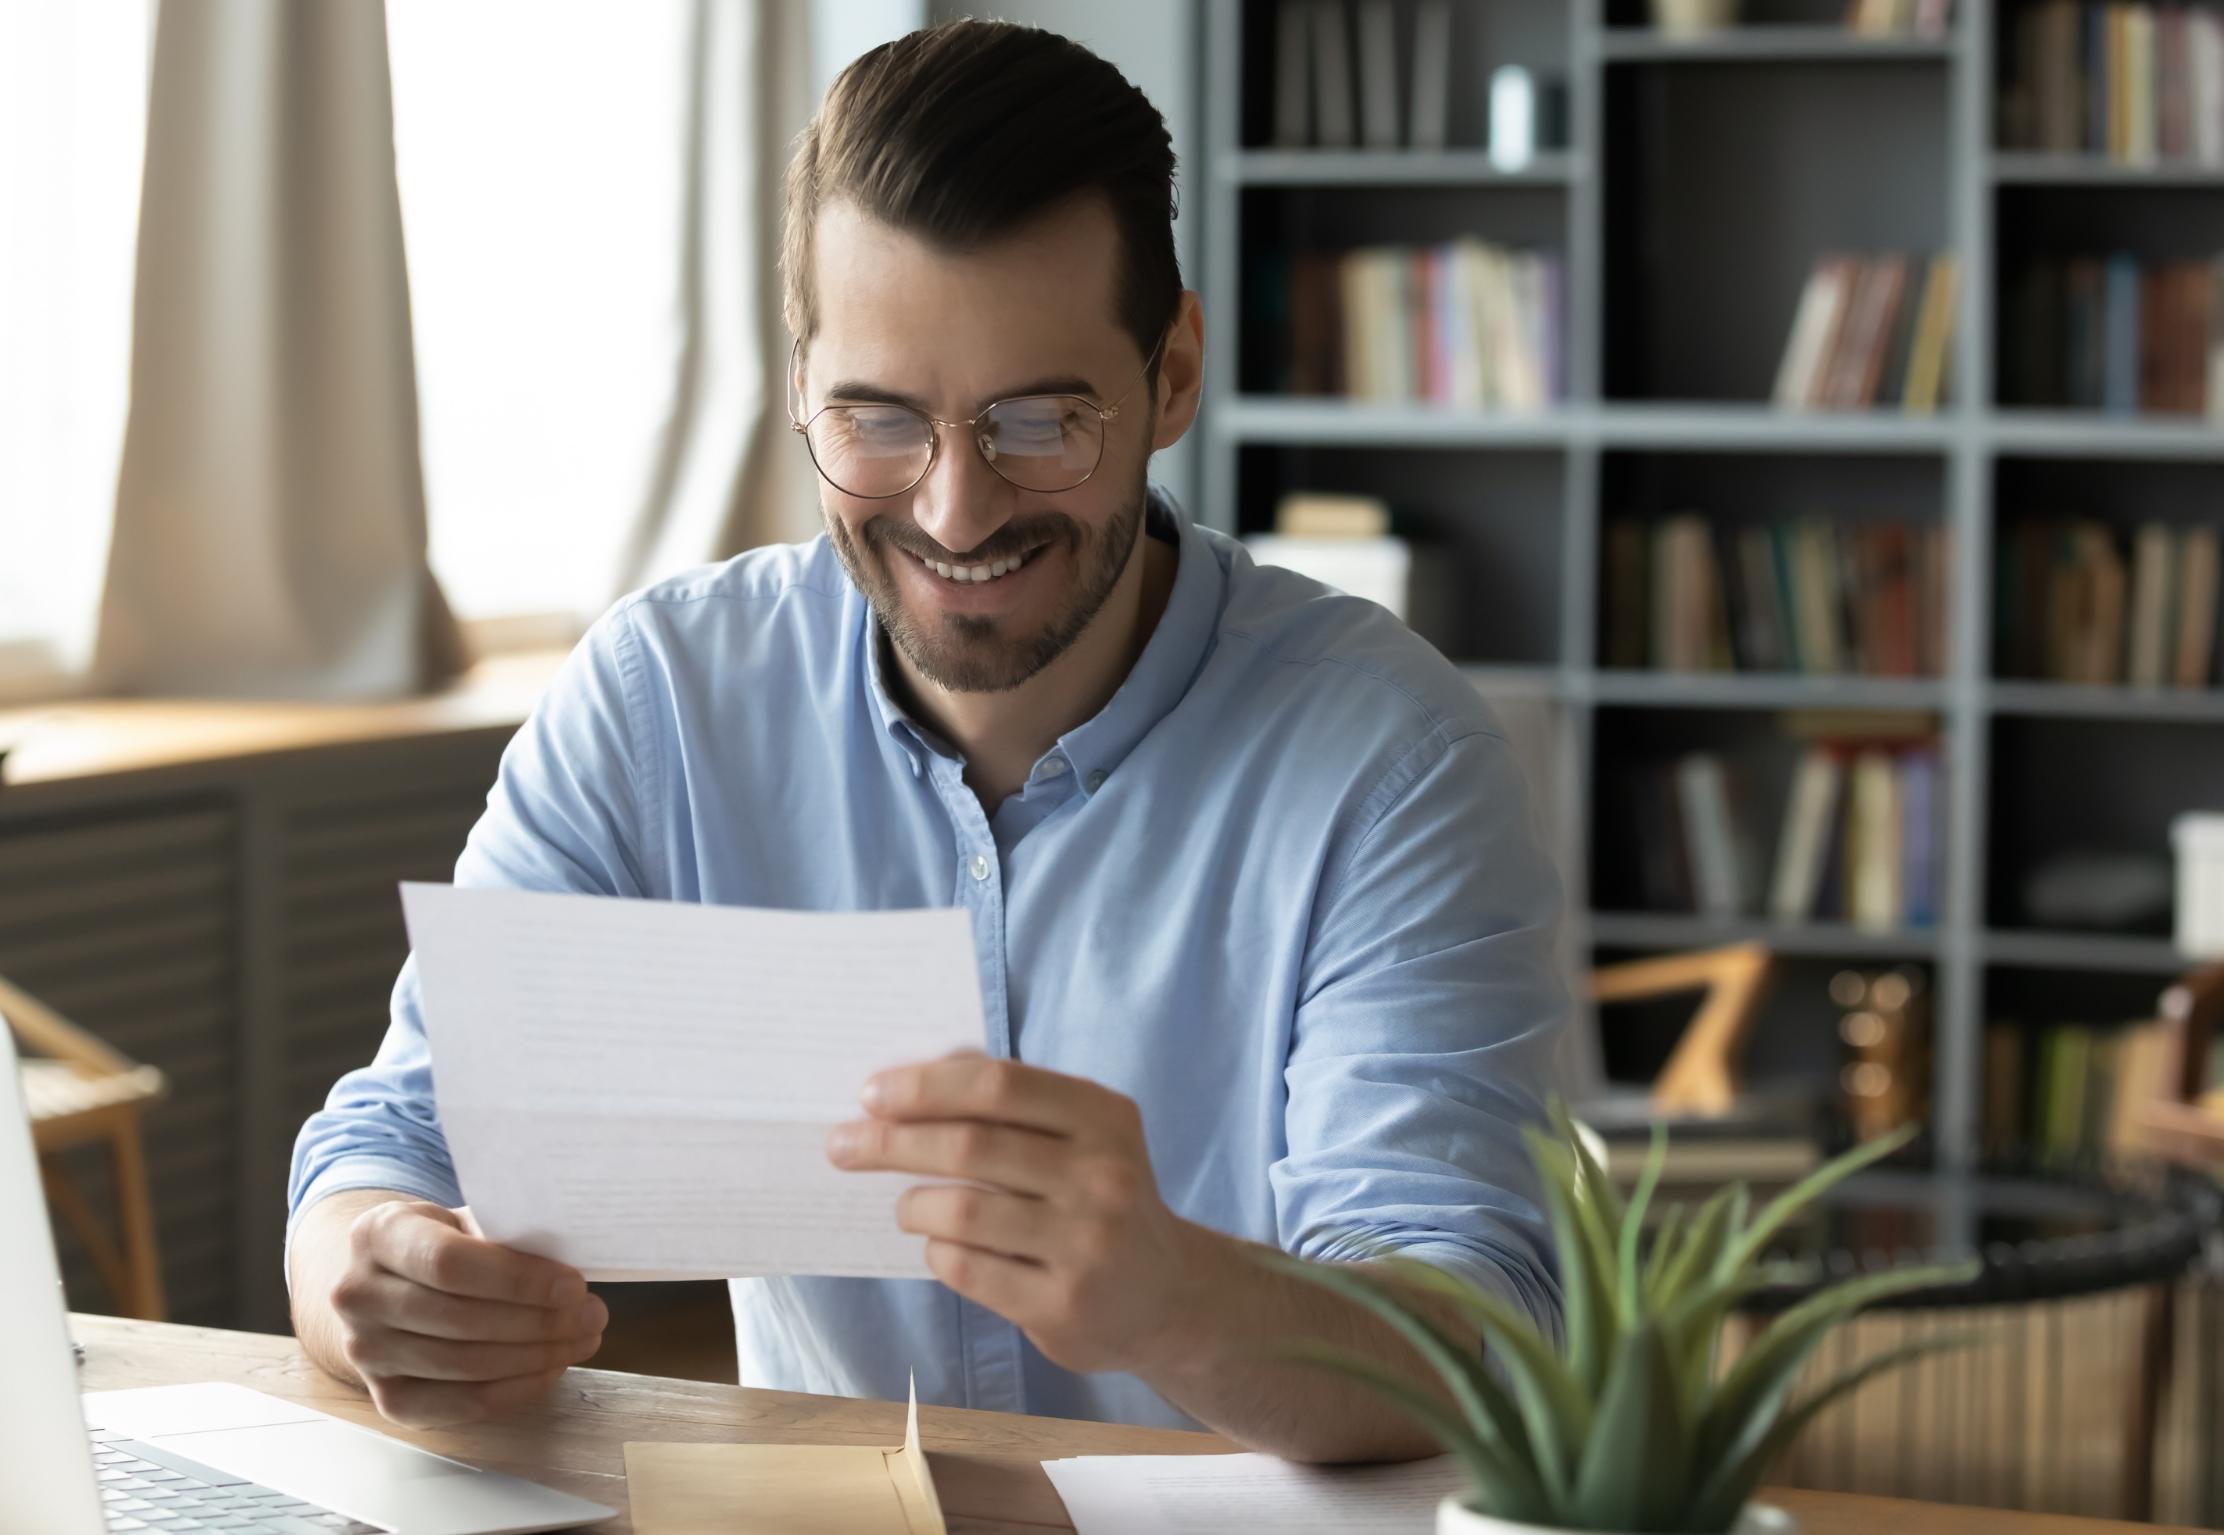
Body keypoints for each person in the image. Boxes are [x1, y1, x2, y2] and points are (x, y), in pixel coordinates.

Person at [286, 18, 1565, 1464]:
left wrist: (1171, 1298)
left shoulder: (1393, 764)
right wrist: (367, 1273)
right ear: (799, 390)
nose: (956, 512)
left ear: (1176, 373)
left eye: (1039, 421)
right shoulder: (662, 703)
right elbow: (393, 1138)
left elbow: (1476, 1335)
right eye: (878, 419)